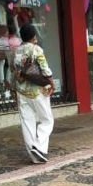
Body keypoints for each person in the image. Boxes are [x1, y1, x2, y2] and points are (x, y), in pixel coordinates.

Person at [13, 22, 55, 163]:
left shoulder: (16, 51)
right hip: (37, 91)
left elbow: (15, 72)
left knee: (27, 122)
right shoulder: (36, 49)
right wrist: (52, 83)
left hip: (22, 92)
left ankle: (35, 156)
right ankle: (39, 147)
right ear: (33, 36)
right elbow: (44, 68)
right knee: (47, 120)